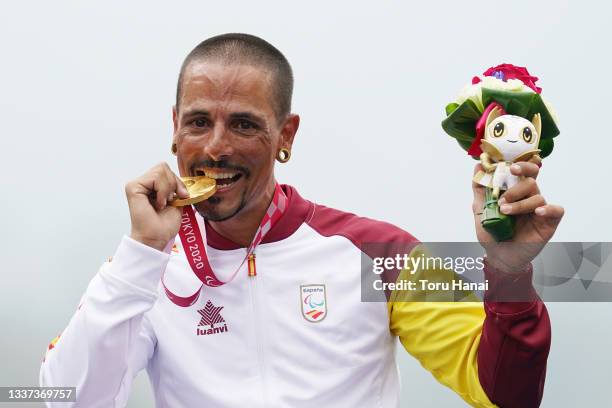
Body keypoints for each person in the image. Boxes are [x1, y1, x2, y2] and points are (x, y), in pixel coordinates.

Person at [40, 33, 563, 408]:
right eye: (199, 122)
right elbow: (66, 399)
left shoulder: (382, 253)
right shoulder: (144, 268)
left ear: (286, 134)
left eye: (244, 124)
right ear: (174, 129)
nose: (216, 147)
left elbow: (504, 395)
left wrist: (508, 271)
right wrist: (140, 256)